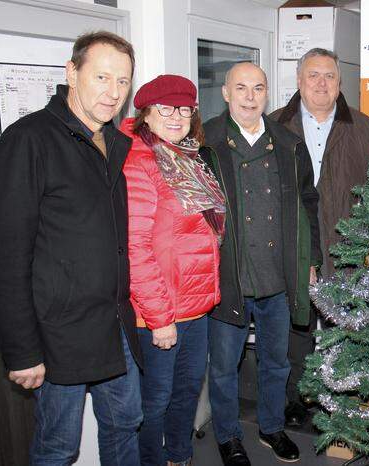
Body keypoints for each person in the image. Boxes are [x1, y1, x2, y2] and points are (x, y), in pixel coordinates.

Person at [0, 31, 142, 464]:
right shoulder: (27, 140)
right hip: (57, 334)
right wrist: (22, 351)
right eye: (102, 77)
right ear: (72, 72)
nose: (113, 93)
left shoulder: (115, 143)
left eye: (123, 81)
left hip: (114, 325)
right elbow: (3, 256)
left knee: (126, 424)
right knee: (58, 445)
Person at [201, 62, 321, 466]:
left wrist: (310, 260)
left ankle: (271, 428)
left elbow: (309, 203)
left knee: (276, 361)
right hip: (228, 275)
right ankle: (229, 436)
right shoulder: (206, 141)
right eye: (241, 88)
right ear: (226, 93)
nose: (250, 96)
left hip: (277, 276)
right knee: (223, 368)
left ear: (267, 93)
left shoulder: (287, 143)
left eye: (258, 88)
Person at [269, 47, 369, 426]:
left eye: (328, 76)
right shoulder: (272, 128)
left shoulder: (365, 129)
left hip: (348, 249)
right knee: (296, 329)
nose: (321, 83)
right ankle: (298, 399)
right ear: (299, 81)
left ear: (340, 84)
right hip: (293, 246)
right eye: (313, 75)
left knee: (344, 329)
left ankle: (341, 397)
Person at [120, 74, 226, 466]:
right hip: (159, 313)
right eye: (165, 108)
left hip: (195, 307)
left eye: (184, 109)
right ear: (145, 113)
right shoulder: (139, 162)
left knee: (185, 394)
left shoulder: (188, 158)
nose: (176, 116)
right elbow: (136, 249)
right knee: (155, 402)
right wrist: (160, 318)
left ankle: (179, 458)